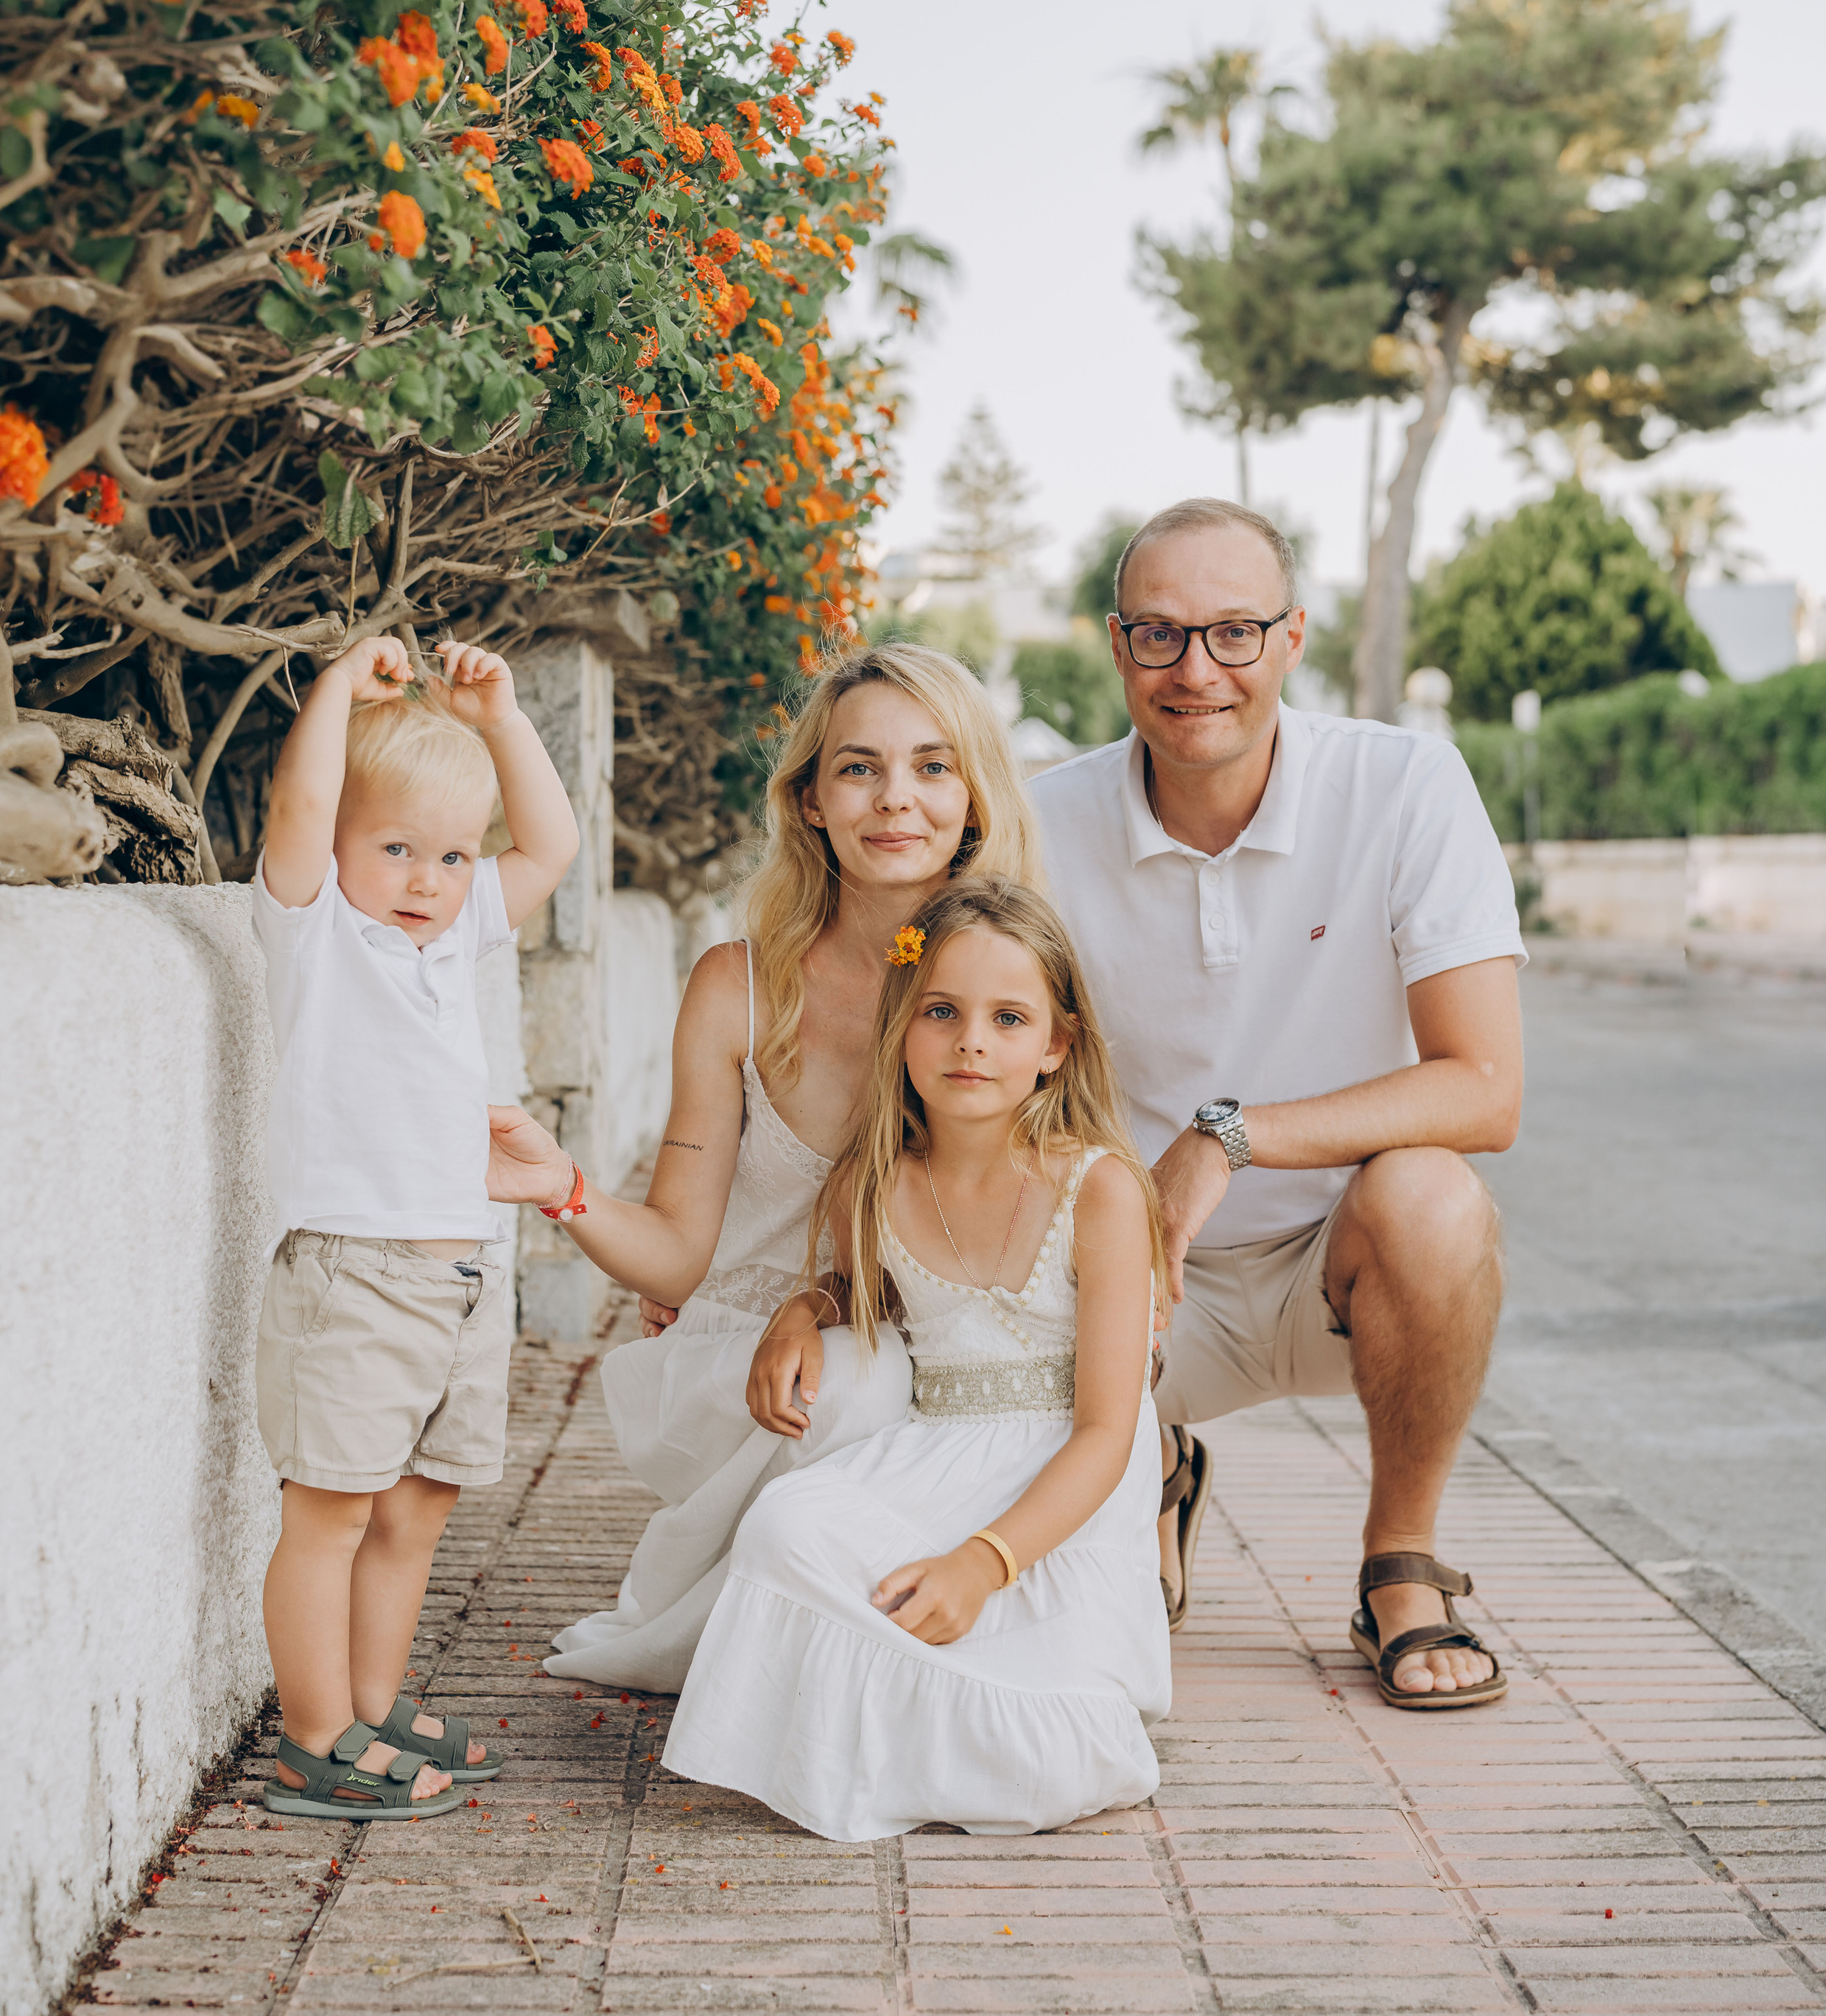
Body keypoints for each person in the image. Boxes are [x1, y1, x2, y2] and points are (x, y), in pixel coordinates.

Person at [1034, 496, 1525, 1710]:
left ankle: (1399, 1566)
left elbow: (1487, 1088)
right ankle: (1147, 1475)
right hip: (1134, 1273)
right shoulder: (1039, 824)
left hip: (1340, 1267)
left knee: (1437, 1194)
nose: (1196, 669)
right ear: (1117, 646)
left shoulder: (1405, 784)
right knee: (1095, 1639)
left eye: (1234, 632)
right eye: (1159, 634)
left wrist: (1228, 1138)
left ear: (1293, 640)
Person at [486, 642, 1045, 1694]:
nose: (897, 799)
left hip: (932, 1341)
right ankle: (791, 1645)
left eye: (934, 767)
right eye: (858, 768)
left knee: (935, 1384)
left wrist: (833, 1298)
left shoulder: (1010, 991)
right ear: (810, 802)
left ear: (975, 799)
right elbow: (678, 1256)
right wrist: (559, 1185)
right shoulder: (737, 988)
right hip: (762, 1365)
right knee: (861, 1383)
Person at [658, 877, 1171, 1840]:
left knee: (1062, 1745)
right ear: (902, 1027)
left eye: (1009, 1017)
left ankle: (916, 1713)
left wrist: (985, 1564)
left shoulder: (1099, 1190)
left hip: (1066, 1478)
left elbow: (1109, 1430)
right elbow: (865, 1294)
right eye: (942, 1011)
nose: (972, 1041)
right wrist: (803, 1309)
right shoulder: (877, 1180)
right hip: (934, 1450)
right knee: (785, 1528)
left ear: (1056, 1046)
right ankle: (905, 1715)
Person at [251, 636, 579, 1818]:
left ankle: (373, 1705)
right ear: (340, 846)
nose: (427, 878)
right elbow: (300, 800)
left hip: (460, 1273)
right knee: (332, 1510)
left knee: (418, 1500)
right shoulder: (318, 935)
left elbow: (552, 845)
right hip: (353, 1269)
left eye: (449, 856)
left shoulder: (458, 939)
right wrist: (337, 689)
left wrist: (500, 718)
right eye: (396, 848)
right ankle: (312, 1737)